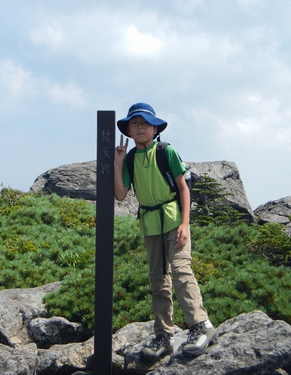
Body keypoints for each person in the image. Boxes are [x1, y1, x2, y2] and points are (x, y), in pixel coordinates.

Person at [114, 102, 217, 362]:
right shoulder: (129, 159)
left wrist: (185, 223)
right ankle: (164, 337)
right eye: (134, 123)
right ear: (128, 129)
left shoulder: (165, 151)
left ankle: (201, 326)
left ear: (154, 128)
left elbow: (183, 188)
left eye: (145, 123)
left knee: (181, 271)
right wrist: (117, 163)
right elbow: (120, 194)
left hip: (173, 220)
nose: (140, 127)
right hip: (150, 224)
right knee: (158, 281)